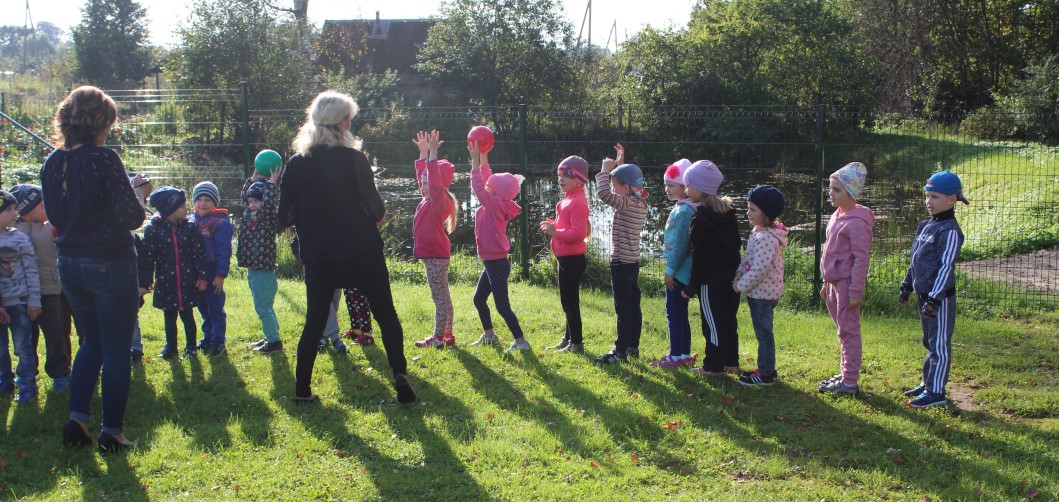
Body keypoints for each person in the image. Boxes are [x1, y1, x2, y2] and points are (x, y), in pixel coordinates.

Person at [278, 90, 415, 404]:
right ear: (341, 122)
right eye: (349, 119)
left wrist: (310, 214)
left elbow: (284, 217)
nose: (350, 124)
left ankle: (302, 390)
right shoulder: (355, 159)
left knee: (314, 320)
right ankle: (399, 374)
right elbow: (376, 210)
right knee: (385, 314)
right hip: (361, 249)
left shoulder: (296, 163)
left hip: (319, 254)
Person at [41, 85, 145, 452]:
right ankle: (112, 432)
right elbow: (132, 217)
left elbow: (56, 217)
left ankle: (78, 420)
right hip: (110, 262)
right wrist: (138, 194)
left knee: (92, 342)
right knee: (116, 348)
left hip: (69, 263)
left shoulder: (52, 163)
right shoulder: (104, 159)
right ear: (100, 123)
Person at [899, 171, 967, 408]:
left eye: (935, 197)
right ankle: (928, 382)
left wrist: (935, 299)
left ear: (952, 199)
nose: (929, 201)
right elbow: (915, 260)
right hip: (923, 296)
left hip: (940, 300)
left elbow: (945, 267)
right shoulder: (925, 226)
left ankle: (936, 392)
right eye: (927, 196)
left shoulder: (949, 231)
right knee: (929, 341)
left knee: (939, 343)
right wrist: (907, 285)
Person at [466, 138, 528, 352]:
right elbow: (486, 178)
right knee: (479, 299)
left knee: (502, 306)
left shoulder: (493, 204)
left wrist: (475, 161)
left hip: (497, 264)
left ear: (494, 191)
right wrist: (484, 154)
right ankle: (489, 335)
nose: (486, 185)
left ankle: (521, 341)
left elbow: (478, 185)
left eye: (489, 185)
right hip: (492, 263)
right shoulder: (497, 201)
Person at [818, 162, 874, 395]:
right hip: (833, 285)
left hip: (846, 286)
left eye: (836, 189)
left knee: (849, 331)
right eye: (830, 188)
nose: (830, 193)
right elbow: (832, 253)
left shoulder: (858, 222)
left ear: (851, 193)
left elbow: (861, 259)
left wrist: (855, 292)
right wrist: (826, 283)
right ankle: (844, 373)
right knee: (842, 330)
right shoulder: (837, 215)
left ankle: (850, 381)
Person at [681, 160, 742, 376]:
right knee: (728, 320)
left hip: (711, 282)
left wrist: (692, 286)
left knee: (712, 324)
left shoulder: (701, 220)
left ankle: (713, 366)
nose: (686, 190)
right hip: (732, 279)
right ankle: (731, 361)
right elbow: (736, 246)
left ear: (700, 188)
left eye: (688, 185)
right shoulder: (728, 213)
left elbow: (701, 258)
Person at [11, 184, 72, 391]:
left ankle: (60, 373)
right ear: (26, 209)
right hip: (22, 293)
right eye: (41, 204)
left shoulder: (51, 225)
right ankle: (28, 372)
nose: (47, 207)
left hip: (50, 290)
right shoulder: (12, 231)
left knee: (57, 335)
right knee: (27, 337)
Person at [594, 144, 649, 364]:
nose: (613, 189)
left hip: (620, 264)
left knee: (623, 309)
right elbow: (627, 184)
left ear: (626, 188)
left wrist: (604, 171)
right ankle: (633, 347)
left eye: (615, 186)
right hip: (632, 263)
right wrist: (620, 164)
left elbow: (603, 194)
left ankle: (620, 352)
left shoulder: (625, 203)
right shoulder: (641, 203)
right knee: (633, 307)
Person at [142, 187, 208, 360]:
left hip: (187, 281)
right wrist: (145, 282)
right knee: (169, 316)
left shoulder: (190, 228)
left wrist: (201, 277)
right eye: (182, 206)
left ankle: (191, 347)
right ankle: (170, 346)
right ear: (170, 209)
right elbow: (148, 258)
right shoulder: (153, 230)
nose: (187, 208)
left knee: (188, 315)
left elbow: (198, 254)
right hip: (166, 282)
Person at [733, 185, 788, 386]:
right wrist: (739, 272)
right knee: (763, 333)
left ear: (766, 214)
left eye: (753, 209)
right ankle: (766, 369)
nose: (748, 213)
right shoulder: (759, 231)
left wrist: (740, 285)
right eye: (748, 208)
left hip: (762, 295)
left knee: (764, 334)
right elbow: (749, 259)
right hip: (759, 292)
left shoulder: (766, 238)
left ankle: (766, 374)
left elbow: (758, 269)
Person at [410, 130, 458, 349]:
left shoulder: (439, 201)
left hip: (435, 256)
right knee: (444, 297)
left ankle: (438, 338)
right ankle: (447, 334)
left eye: (426, 182)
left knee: (439, 299)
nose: (422, 185)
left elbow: (433, 180)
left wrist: (433, 154)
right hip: (435, 256)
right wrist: (423, 154)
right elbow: (425, 177)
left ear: (437, 183)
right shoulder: (429, 197)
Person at [651, 159, 698, 368]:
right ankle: (683, 354)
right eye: (665, 185)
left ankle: (676, 355)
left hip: (679, 272)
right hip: (682, 270)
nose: (667, 189)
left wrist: (669, 270)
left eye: (671, 185)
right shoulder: (686, 207)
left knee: (674, 313)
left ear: (685, 187)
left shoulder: (685, 211)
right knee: (680, 313)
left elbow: (681, 245)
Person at [541, 155, 590, 354]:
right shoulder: (568, 199)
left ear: (578, 179)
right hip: (565, 260)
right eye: (559, 175)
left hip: (573, 261)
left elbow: (578, 234)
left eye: (565, 175)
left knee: (570, 303)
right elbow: (566, 225)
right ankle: (568, 339)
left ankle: (577, 344)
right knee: (567, 302)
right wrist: (553, 225)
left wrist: (555, 232)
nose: (560, 179)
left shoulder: (577, 202)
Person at [0, 190, 42, 403]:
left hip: (19, 302)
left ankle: (27, 385)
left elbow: (31, 270)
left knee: (23, 348)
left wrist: (34, 299)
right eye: (8, 209)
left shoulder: (20, 238)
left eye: (15, 208)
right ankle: (4, 381)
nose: (14, 213)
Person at [239, 169, 284, 354]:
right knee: (265, 307)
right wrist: (253, 179)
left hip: (263, 270)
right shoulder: (249, 215)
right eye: (250, 202)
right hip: (253, 269)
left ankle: (274, 342)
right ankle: (271, 336)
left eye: (256, 201)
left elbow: (270, 203)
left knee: (263, 308)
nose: (251, 205)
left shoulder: (267, 217)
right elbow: (244, 197)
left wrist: (272, 183)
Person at [190, 181, 233, 356]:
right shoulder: (190, 221)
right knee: (202, 307)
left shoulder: (220, 223)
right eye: (199, 199)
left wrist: (220, 275)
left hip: (212, 270)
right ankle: (208, 337)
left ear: (215, 202)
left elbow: (224, 251)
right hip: (196, 271)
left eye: (207, 199)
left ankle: (218, 341)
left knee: (215, 308)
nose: (203, 203)